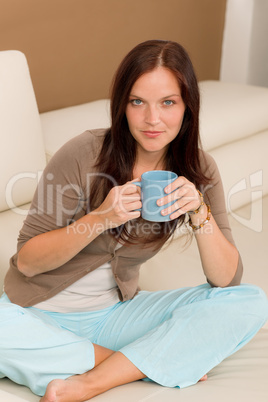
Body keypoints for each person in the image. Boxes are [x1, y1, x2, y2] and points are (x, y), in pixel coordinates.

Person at [0, 39, 267, 402]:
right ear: (121, 106)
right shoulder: (83, 153)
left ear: (188, 107)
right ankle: (141, 364)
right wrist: (99, 218)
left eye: (168, 103)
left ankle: (86, 380)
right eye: (137, 102)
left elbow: (226, 280)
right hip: (37, 313)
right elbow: (28, 262)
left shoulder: (199, 169)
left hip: (114, 317)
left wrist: (199, 211)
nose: (152, 119)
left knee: (249, 301)